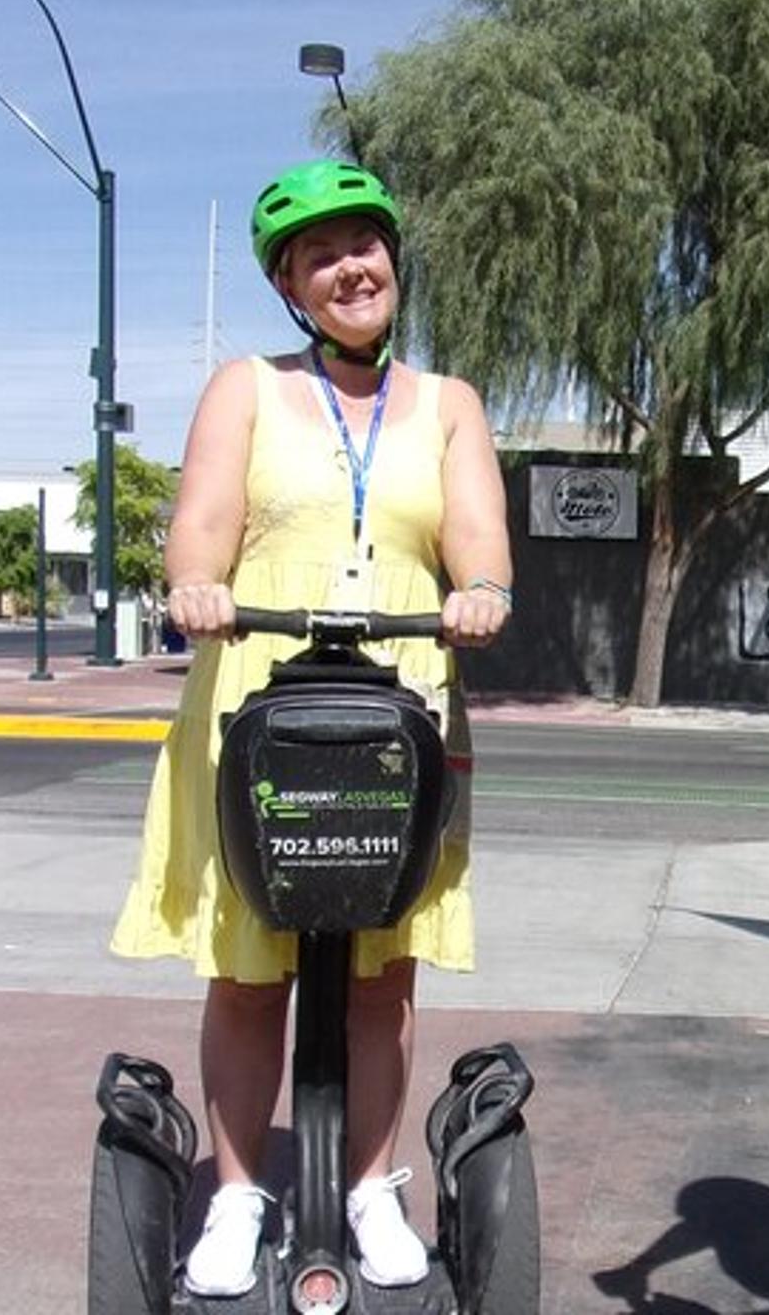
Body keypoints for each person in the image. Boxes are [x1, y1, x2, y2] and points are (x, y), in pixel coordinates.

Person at [110, 158, 513, 1297]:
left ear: (392, 258)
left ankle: (372, 1188)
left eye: (364, 243)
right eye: (319, 253)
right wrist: (196, 584)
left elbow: (480, 537)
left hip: (400, 706)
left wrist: (482, 589)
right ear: (291, 285)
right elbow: (199, 528)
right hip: (258, 695)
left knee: (382, 971)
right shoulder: (245, 389)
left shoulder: (450, 405)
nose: (350, 265)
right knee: (250, 969)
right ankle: (238, 1193)